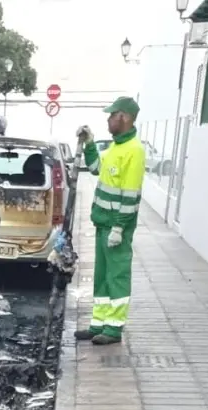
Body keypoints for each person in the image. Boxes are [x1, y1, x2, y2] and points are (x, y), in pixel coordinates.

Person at [75, 97, 146, 345]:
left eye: (111, 115)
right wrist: (89, 143)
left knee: (117, 276)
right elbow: (95, 167)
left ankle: (114, 329)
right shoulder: (116, 148)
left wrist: (119, 227)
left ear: (123, 117)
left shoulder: (134, 151)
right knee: (102, 276)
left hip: (117, 227)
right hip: (103, 223)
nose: (108, 119)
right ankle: (98, 324)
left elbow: (131, 194)